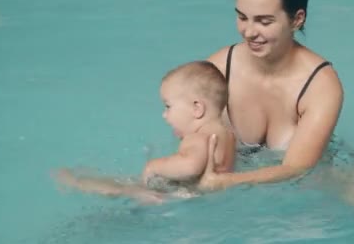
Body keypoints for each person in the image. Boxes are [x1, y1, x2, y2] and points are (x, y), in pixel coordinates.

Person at [197, 0, 354, 234]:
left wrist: (225, 183)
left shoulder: (321, 85)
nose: (249, 32)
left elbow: (297, 168)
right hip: (239, 173)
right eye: (242, 17)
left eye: (264, 21)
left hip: (317, 177)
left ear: (297, 19)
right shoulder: (219, 69)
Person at [55, 61, 236, 203]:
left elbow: (191, 165)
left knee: (124, 187)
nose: (165, 115)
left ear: (197, 108)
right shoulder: (228, 135)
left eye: (168, 106)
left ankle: (77, 182)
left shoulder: (198, 138)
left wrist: (155, 165)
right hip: (204, 197)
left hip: (176, 198)